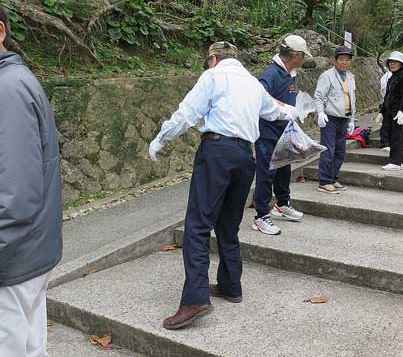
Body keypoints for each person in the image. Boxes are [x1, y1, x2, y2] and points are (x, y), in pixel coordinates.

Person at [149, 41, 297, 330]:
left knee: (198, 225)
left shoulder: (213, 76)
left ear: (213, 59)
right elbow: (274, 111)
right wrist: (292, 112)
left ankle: (195, 299)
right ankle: (231, 285)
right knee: (228, 225)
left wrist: (161, 139)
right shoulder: (254, 84)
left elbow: (187, 113)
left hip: (217, 152)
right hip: (246, 157)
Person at [0, 5, 63, 357]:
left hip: (13, 259)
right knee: (30, 347)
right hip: (28, 253)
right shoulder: (16, 82)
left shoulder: (7, 89)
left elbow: (16, 194)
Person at [252, 35, 312, 236]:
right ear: (295, 55)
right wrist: (283, 107)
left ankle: (282, 204)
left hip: (285, 133)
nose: (304, 60)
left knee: (284, 169)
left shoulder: (291, 73)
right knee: (266, 173)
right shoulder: (272, 73)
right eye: (303, 55)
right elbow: (259, 94)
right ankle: (261, 215)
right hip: (268, 134)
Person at [314, 45, 356, 194]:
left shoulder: (351, 77)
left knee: (340, 151)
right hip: (330, 118)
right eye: (342, 59)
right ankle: (324, 181)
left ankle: (333, 178)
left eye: (348, 59)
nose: (345, 62)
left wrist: (351, 119)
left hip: (344, 119)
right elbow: (319, 96)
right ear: (335, 60)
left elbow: (352, 98)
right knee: (328, 150)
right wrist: (320, 113)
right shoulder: (327, 75)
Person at [379, 51, 403, 171]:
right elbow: (387, 95)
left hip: (397, 111)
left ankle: (396, 162)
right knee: (392, 135)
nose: (392, 64)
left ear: (401, 64)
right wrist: (382, 111)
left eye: (395, 62)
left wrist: (402, 111)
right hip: (389, 110)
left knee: (397, 135)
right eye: (391, 62)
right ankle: (397, 160)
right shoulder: (392, 77)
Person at [376, 66, 393, 149]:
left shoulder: (401, 76)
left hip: (396, 104)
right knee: (386, 123)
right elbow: (383, 90)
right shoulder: (387, 76)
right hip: (388, 103)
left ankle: (389, 142)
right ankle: (384, 142)